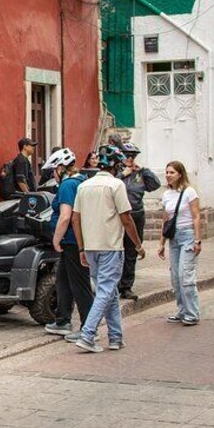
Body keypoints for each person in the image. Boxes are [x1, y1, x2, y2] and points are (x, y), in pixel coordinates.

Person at [71, 145, 146, 353]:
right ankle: (87, 334)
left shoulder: (83, 186)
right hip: (111, 246)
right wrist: (138, 245)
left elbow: (75, 219)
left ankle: (115, 337)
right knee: (105, 291)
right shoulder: (116, 185)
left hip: (91, 246)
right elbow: (127, 218)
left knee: (109, 291)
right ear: (116, 165)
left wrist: (81, 248)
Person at [41, 148, 93, 342]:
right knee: (63, 280)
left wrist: (56, 239)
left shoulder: (68, 185)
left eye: (54, 171)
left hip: (71, 241)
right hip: (74, 241)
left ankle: (88, 328)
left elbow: (66, 216)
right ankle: (62, 320)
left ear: (61, 168)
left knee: (80, 284)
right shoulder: (81, 181)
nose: (53, 175)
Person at [158, 161, 202, 326]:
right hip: (173, 238)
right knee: (176, 276)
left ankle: (192, 312)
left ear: (180, 174)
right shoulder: (166, 194)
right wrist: (161, 243)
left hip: (188, 235)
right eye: (167, 172)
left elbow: (196, 216)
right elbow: (165, 219)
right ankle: (182, 310)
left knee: (185, 274)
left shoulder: (189, 192)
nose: (168, 175)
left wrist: (197, 240)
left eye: (172, 172)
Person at [116, 143, 161, 300]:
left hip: (136, 214)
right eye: (127, 156)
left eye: (133, 156)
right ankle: (114, 284)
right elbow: (109, 187)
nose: (130, 159)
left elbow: (155, 184)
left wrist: (142, 170)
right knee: (116, 250)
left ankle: (126, 286)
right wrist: (123, 173)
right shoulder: (116, 172)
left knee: (132, 250)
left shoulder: (139, 174)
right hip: (118, 216)